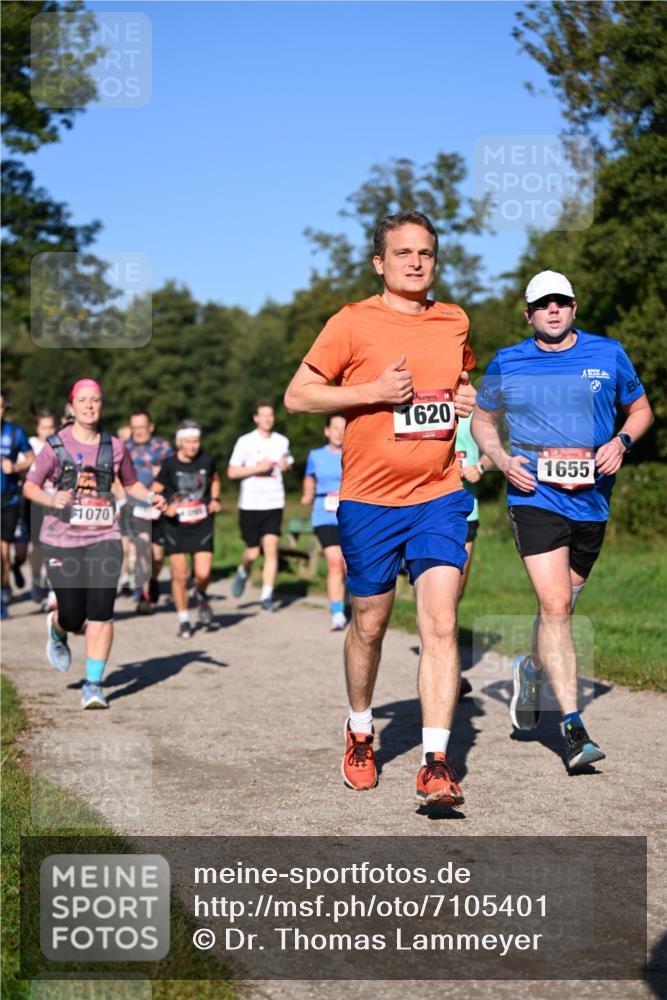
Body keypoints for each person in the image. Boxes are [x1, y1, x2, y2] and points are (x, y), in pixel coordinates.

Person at [284, 210, 477, 808]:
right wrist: (371, 392)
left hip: (439, 495)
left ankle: (435, 761)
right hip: (368, 500)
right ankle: (361, 729)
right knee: (369, 624)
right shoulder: (352, 322)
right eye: (403, 253)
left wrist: (468, 395)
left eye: (426, 252)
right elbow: (298, 396)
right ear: (380, 263)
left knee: (440, 622)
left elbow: (461, 382)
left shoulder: (455, 320)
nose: (416, 262)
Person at [472, 270, 654, 770]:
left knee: (562, 611)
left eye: (562, 302)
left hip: (592, 500)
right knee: (553, 606)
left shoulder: (608, 353)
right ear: (528, 313)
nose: (553, 310)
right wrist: (502, 459)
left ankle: (530, 669)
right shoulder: (509, 361)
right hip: (534, 495)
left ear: (574, 308)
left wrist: (621, 441)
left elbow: (641, 411)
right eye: (543, 304)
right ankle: (573, 728)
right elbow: (482, 419)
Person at [24, 378, 166, 709]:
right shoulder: (55, 446)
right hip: (61, 540)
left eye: (96, 400)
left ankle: (94, 684)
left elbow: (131, 485)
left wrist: (153, 497)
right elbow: (30, 486)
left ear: (101, 406)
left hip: (104, 536)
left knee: (101, 611)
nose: (90, 405)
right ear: (71, 407)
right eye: (84, 400)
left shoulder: (115, 446)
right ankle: (58, 629)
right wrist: (50, 496)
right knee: (73, 616)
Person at [153, 420, 221, 638]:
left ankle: (200, 593)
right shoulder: (170, 465)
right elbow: (155, 491)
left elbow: (215, 479)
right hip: (176, 526)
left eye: (196, 441)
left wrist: (215, 499)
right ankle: (184, 619)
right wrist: (165, 506)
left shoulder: (207, 460)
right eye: (188, 442)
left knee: (203, 573)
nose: (193, 446)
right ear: (179, 442)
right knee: (180, 575)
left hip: (202, 523)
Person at [227, 401, 293, 611]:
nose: (267, 419)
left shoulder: (282, 441)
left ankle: (266, 595)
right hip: (250, 504)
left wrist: (286, 466)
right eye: (263, 415)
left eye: (270, 415)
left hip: (274, 502)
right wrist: (258, 468)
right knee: (253, 553)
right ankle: (243, 570)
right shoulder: (245, 441)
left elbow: (287, 463)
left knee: (271, 549)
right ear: (255, 418)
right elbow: (231, 472)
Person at [301, 414, 348, 631]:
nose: (339, 432)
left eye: (343, 428)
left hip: (350, 514)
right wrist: (307, 492)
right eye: (335, 428)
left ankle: (352, 603)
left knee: (350, 565)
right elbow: (309, 476)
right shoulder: (315, 455)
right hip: (324, 515)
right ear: (327, 431)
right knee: (334, 561)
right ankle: (337, 613)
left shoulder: (353, 453)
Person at [125, 410, 174, 613]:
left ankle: (153, 579)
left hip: (157, 505)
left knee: (157, 554)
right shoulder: (124, 447)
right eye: (134, 428)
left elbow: (174, 472)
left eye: (142, 428)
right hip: (132, 505)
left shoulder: (163, 448)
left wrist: (161, 475)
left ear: (150, 427)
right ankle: (141, 594)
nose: (138, 432)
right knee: (138, 550)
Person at [1, 392, 34, 618]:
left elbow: (31, 457)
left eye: (1, 407)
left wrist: (15, 466)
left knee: (5, 553)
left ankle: (3, 590)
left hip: (8, 500)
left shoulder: (15, 432)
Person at [27, 410, 58, 607]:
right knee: (38, 547)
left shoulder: (60, 444)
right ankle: (37, 576)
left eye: (51, 427)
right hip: (36, 502)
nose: (47, 431)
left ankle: (53, 589)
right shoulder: (31, 445)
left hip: (56, 501)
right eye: (43, 427)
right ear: (37, 428)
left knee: (55, 546)